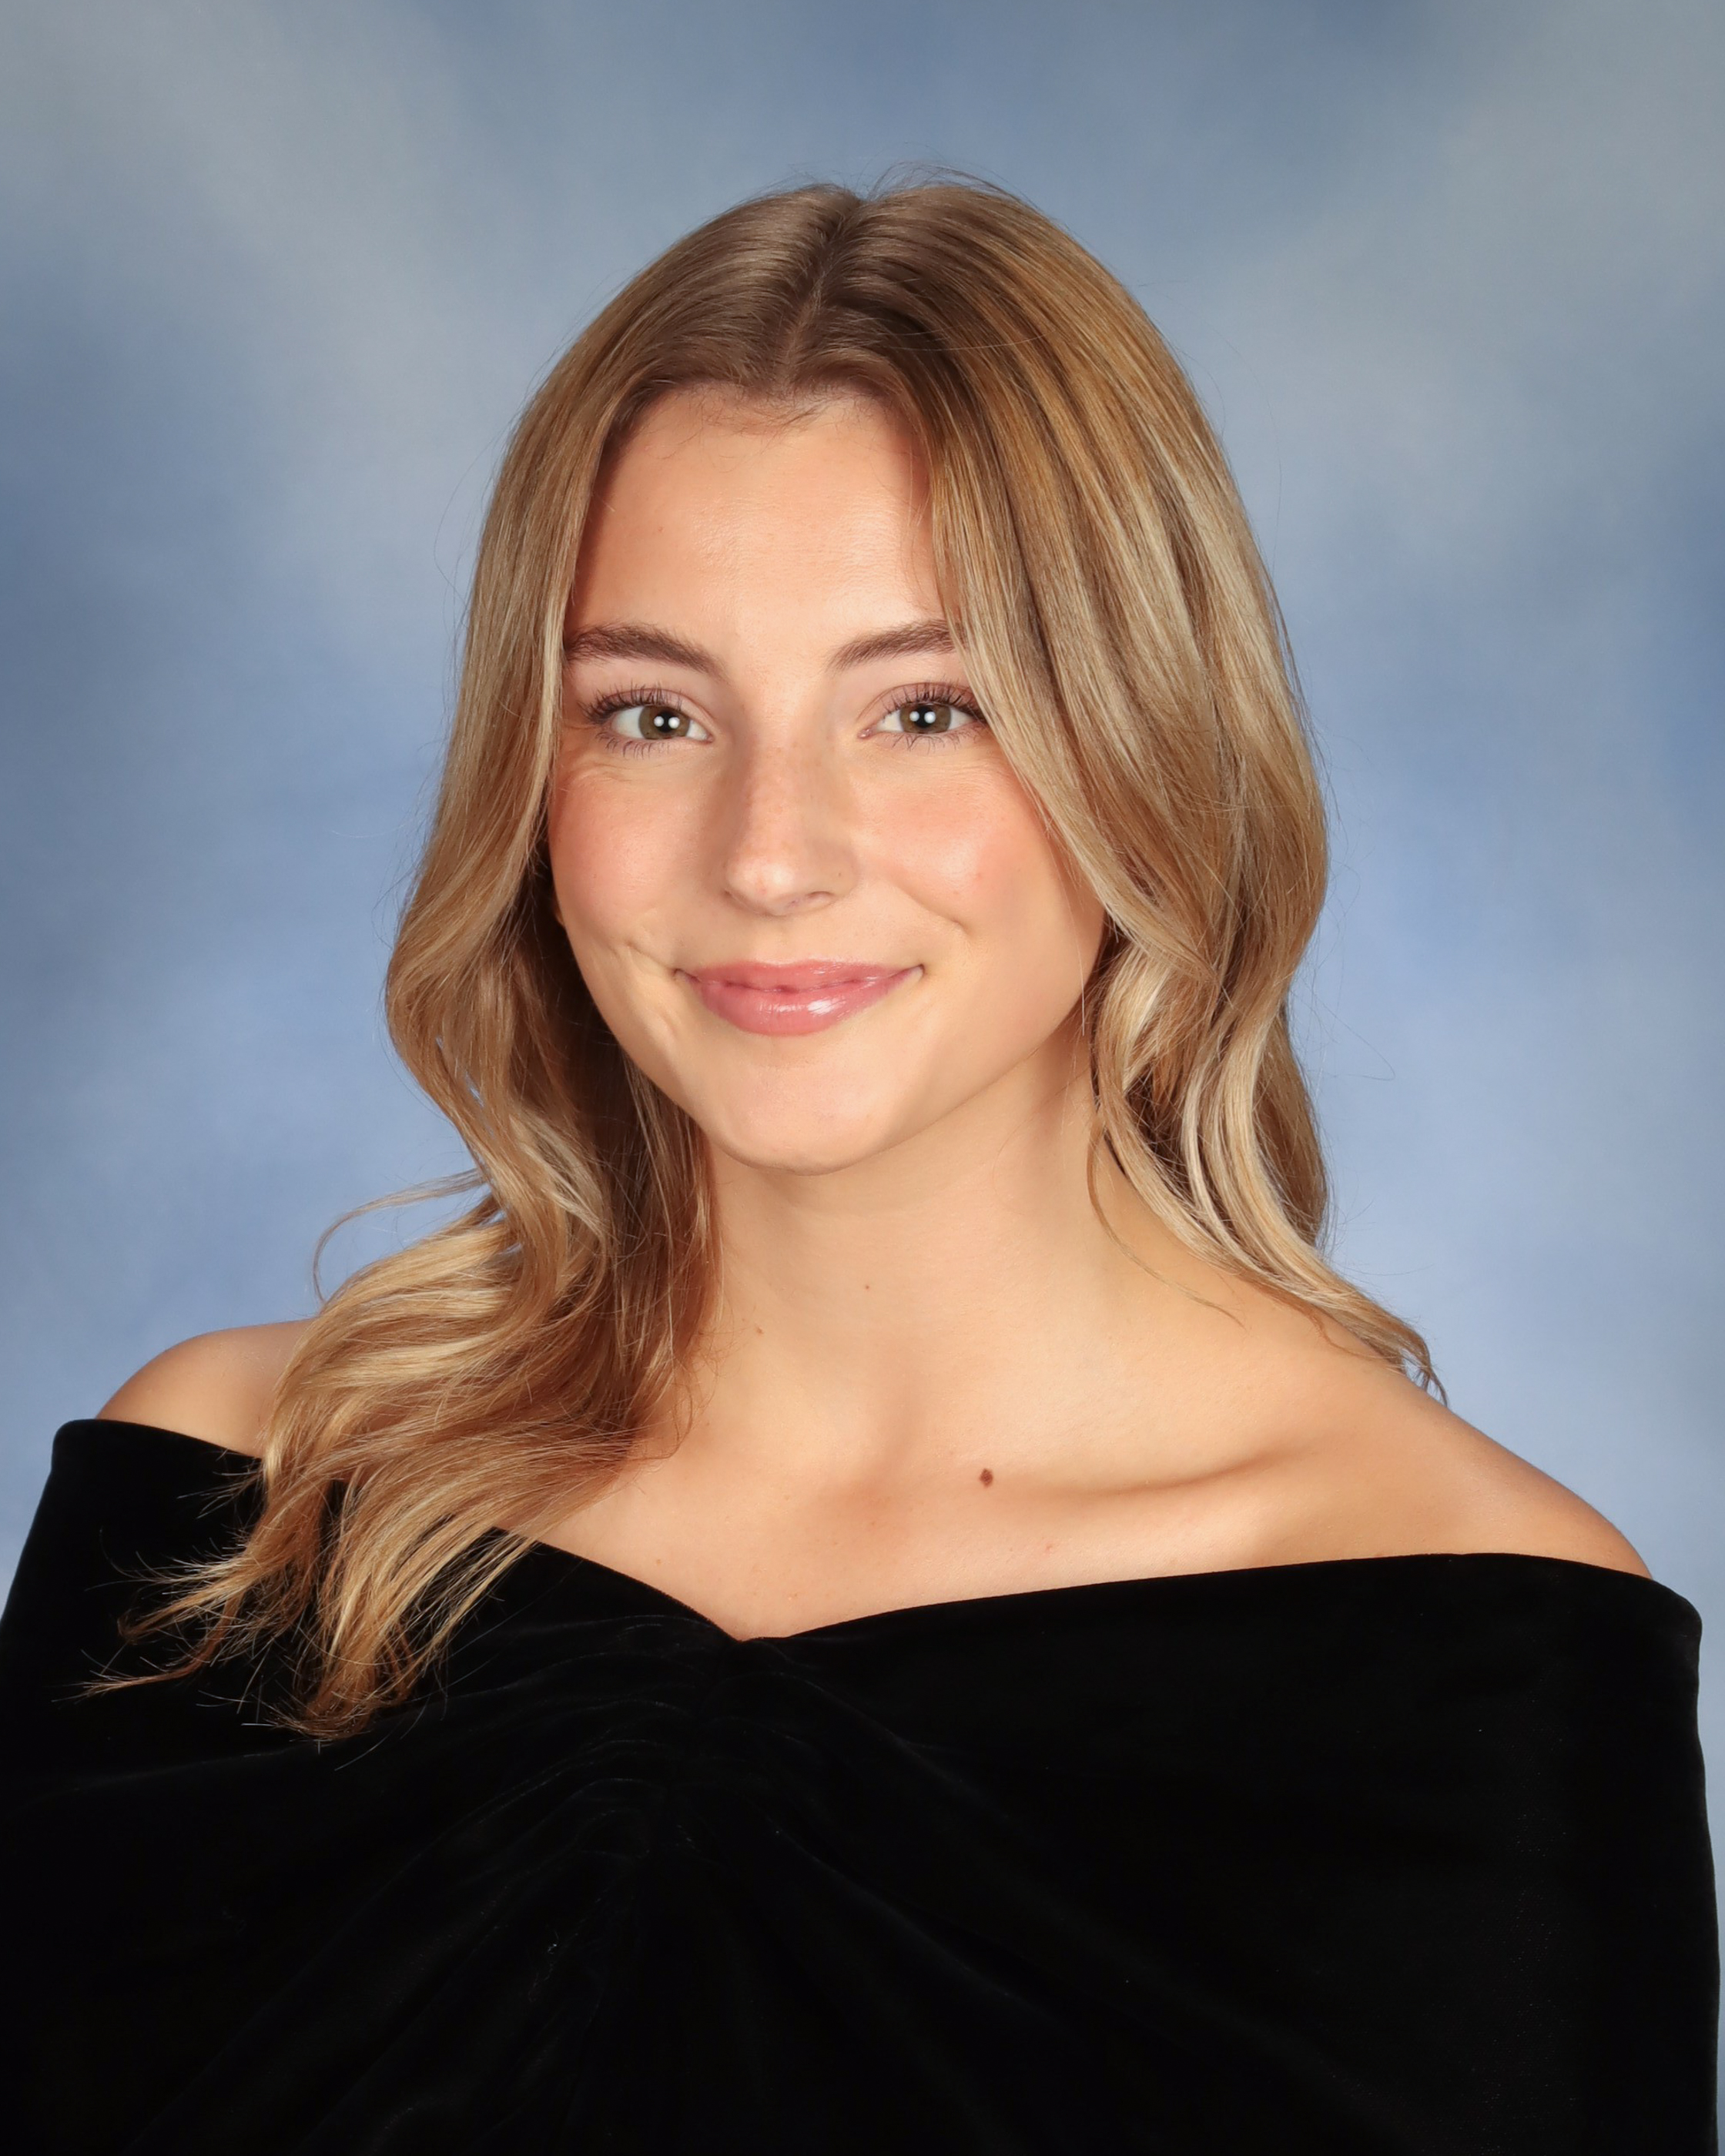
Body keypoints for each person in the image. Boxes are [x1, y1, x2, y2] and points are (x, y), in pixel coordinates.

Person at [0, 178, 1715, 2154]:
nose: (768, 852)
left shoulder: (1476, 1653)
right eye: (653, 713)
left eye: (925, 708)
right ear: (530, 783)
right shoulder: (231, 1505)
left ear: (1147, 754)